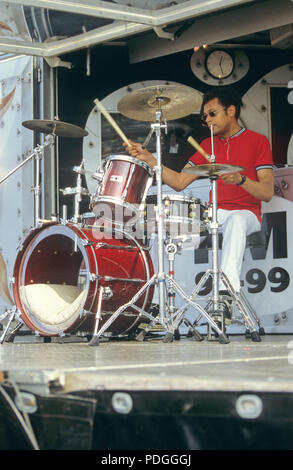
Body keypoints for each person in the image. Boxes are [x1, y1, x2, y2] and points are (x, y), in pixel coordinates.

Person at [124, 87, 274, 297]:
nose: (208, 120)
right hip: (214, 214)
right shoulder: (207, 145)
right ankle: (157, 298)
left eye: (212, 114)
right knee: (165, 223)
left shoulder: (258, 142)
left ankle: (225, 294)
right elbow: (178, 181)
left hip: (247, 214)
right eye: (205, 117)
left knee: (237, 220)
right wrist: (151, 160)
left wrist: (241, 180)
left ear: (231, 111)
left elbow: (267, 192)